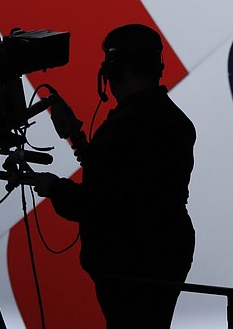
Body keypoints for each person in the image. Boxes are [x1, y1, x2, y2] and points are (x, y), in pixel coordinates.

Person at [31, 24, 196, 329]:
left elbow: (98, 204)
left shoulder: (125, 129)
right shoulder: (175, 121)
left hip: (130, 262)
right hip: (167, 252)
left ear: (116, 68)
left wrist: (54, 187)